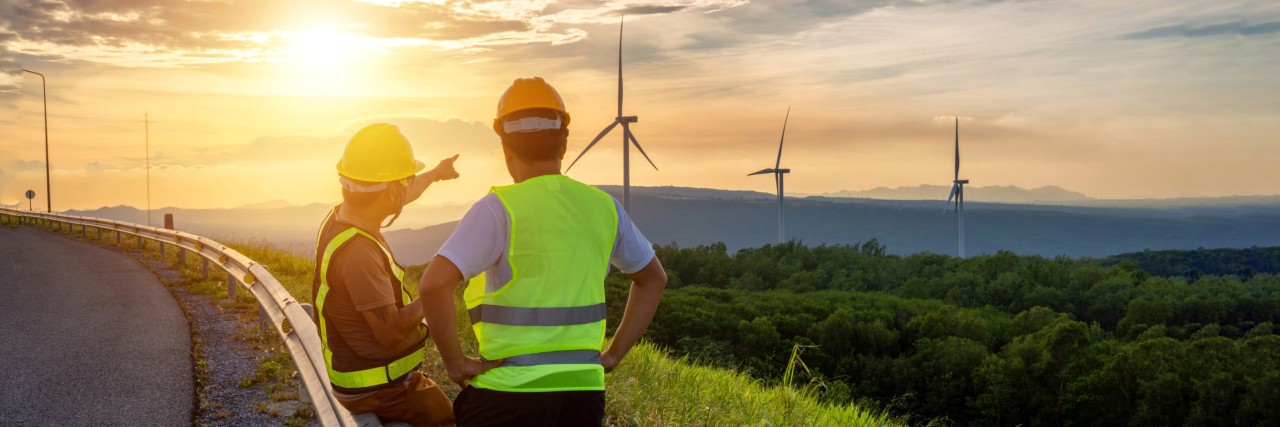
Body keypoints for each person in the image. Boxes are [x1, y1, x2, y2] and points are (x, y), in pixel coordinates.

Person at [417, 77, 668, 426]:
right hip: (581, 397)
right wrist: (612, 355)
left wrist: (455, 364)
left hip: (507, 397)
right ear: (564, 144)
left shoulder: (497, 209)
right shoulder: (605, 208)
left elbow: (432, 285)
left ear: (505, 149)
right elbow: (653, 279)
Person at [312, 123, 459, 426]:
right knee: (447, 416)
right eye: (404, 182)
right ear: (392, 190)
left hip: (363, 375)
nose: (408, 187)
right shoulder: (358, 252)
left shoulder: (344, 215)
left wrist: (435, 173)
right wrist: (437, 288)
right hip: (377, 388)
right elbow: (389, 332)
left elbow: (400, 193)